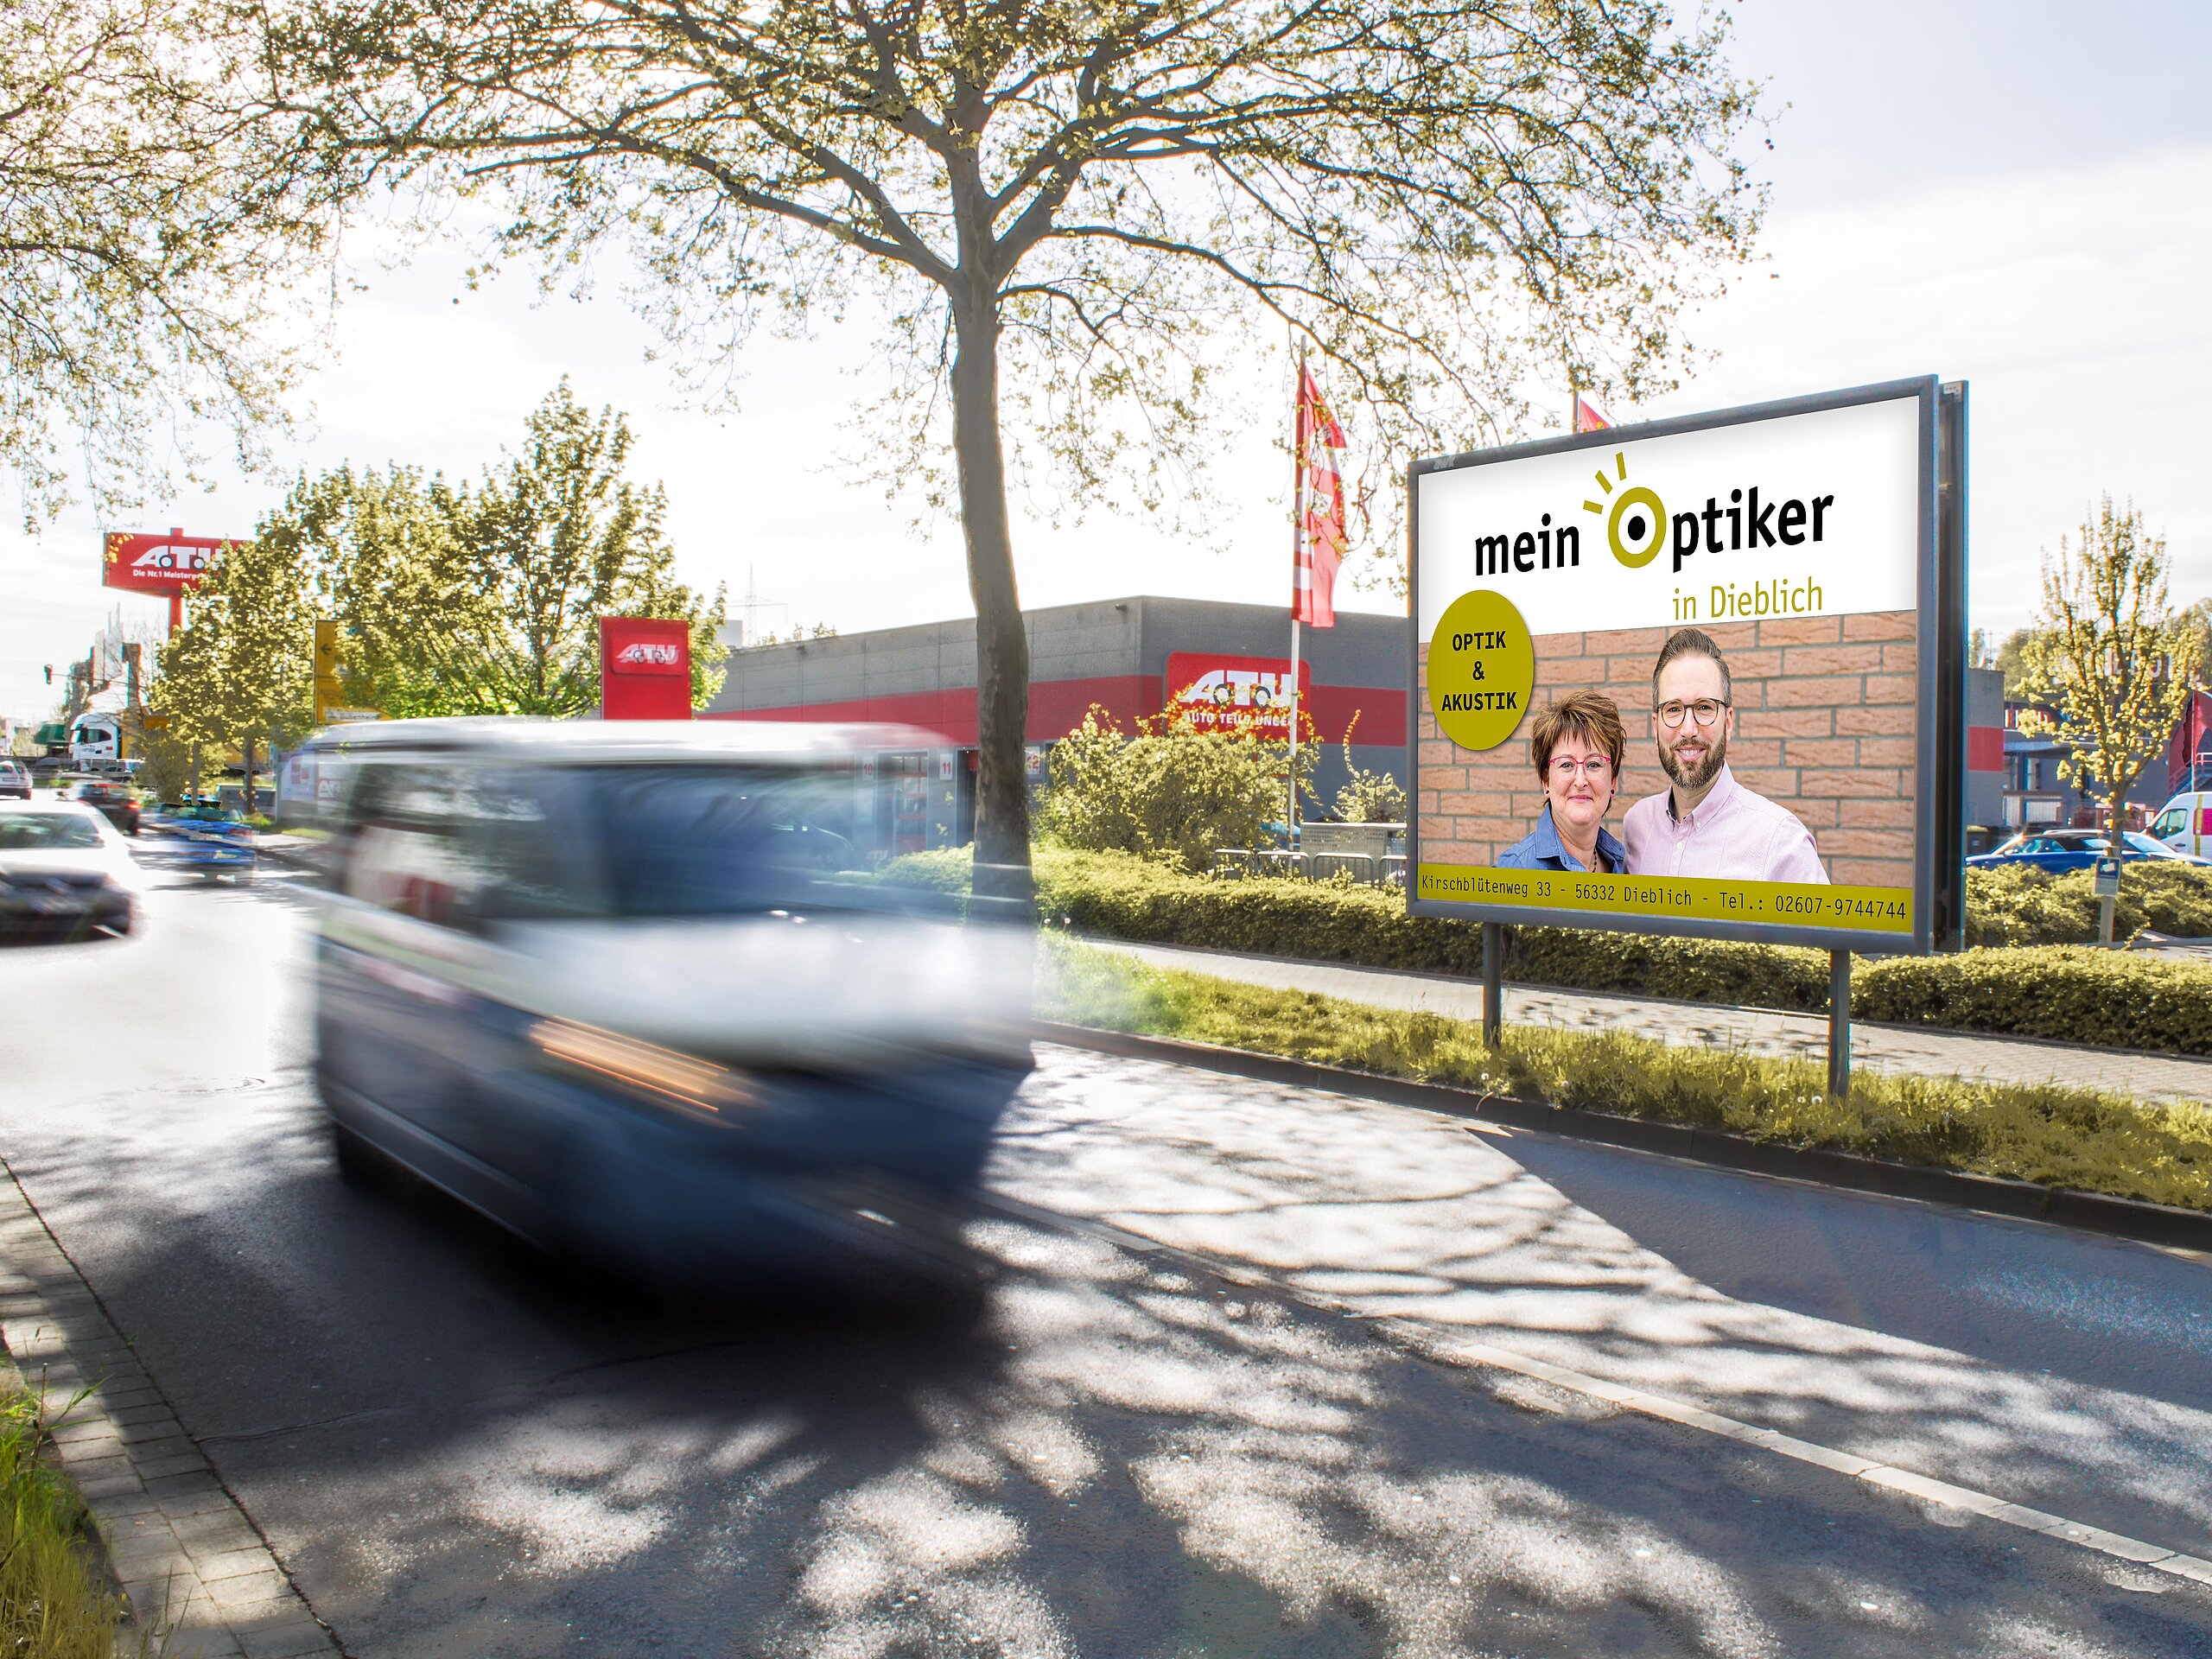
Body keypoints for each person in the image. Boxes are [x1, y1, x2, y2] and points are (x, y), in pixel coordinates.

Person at [1621, 627, 1827, 882]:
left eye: (1704, 707)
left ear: (1728, 722)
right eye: (1673, 709)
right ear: (1655, 725)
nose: (1688, 729)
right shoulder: (1637, 825)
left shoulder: (1781, 841)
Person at [1495, 691, 1629, 874]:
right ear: (1546, 781)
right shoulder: (1515, 870)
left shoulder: (1622, 866)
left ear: (1613, 781)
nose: (1581, 781)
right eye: (1566, 764)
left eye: (1594, 764)